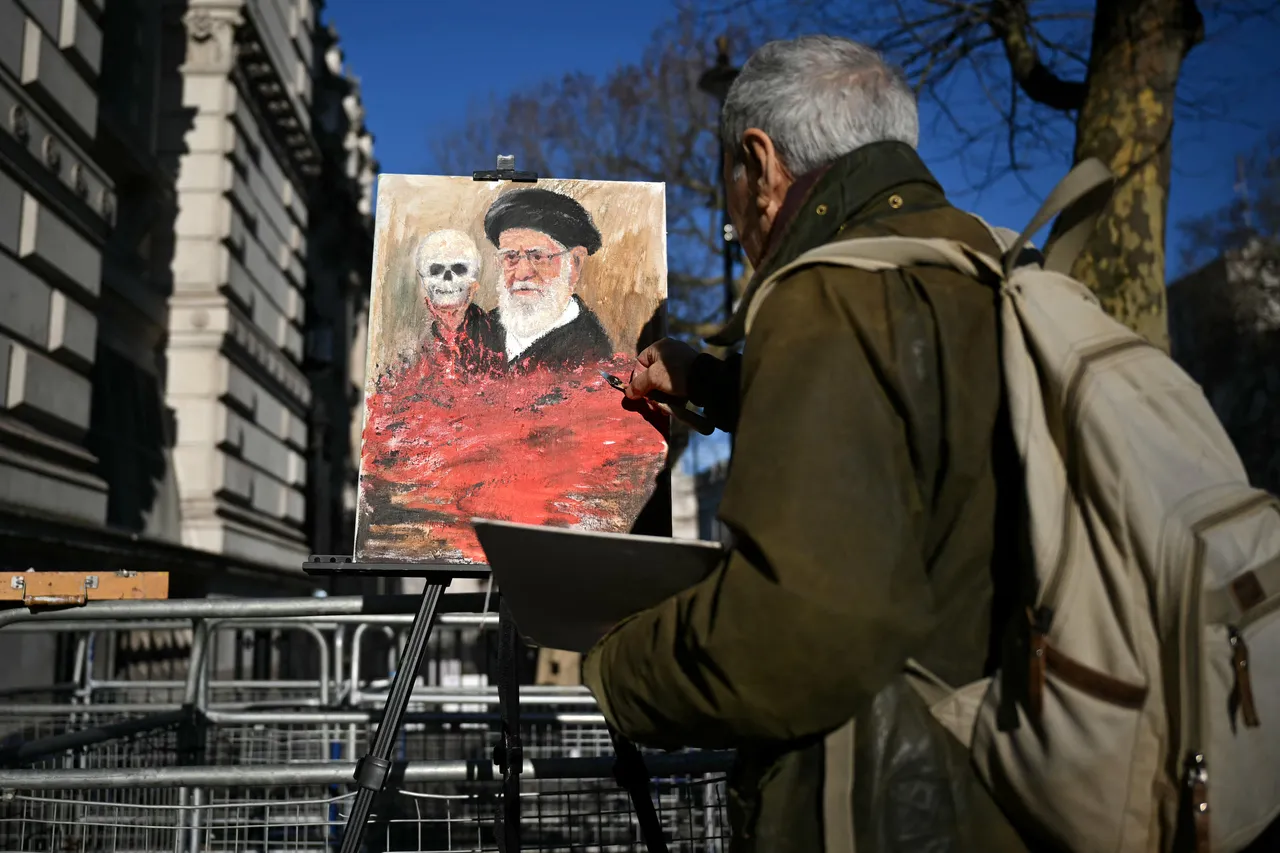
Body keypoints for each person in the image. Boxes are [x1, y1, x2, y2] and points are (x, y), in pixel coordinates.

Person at [580, 35, 1031, 853]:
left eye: (730, 181)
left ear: (762, 161)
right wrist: (714, 380)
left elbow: (789, 633)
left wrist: (613, 662)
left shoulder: (828, 293)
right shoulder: (989, 263)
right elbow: (911, 432)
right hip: (1020, 783)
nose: (729, 214)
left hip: (893, 809)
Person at [481, 187, 614, 370]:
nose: (521, 273)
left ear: (575, 263)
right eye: (510, 257)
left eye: (538, 257)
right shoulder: (482, 328)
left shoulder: (590, 354)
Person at [413, 229, 501, 372]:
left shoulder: (495, 334)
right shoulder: (420, 347)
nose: (448, 278)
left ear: (474, 277)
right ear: (423, 278)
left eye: (459, 269)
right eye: (436, 270)